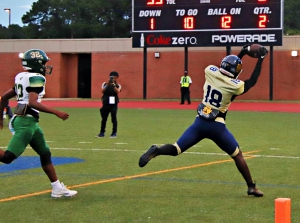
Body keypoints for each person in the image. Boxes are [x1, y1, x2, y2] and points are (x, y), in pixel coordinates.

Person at [139, 44, 268, 197]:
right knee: (237, 155)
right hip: (217, 126)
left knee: (176, 149)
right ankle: (251, 187)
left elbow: (228, 67)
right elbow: (252, 81)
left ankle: (157, 150)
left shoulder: (210, 71)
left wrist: (242, 53)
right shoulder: (236, 86)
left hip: (199, 122)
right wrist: (260, 59)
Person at [0, 49, 77, 198]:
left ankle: (57, 188)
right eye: (43, 63)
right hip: (25, 123)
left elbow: (4, 97)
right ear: (37, 64)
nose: (45, 66)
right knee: (8, 157)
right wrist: (56, 112)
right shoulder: (37, 77)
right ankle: (57, 188)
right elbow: (33, 102)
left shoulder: (22, 76)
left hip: (29, 121)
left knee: (45, 153)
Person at [95, 71, 121, 138]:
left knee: (113, 118)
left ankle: (114, 133)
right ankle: (102, 132)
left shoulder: (118, 85)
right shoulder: (105, 84)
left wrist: (113, 85)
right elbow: (102, 91)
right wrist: (108, 84)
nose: (114, 80)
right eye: (112, 78)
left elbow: (117, 91)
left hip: (113, 104)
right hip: (106, 103)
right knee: (104, 119)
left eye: (115, 78)